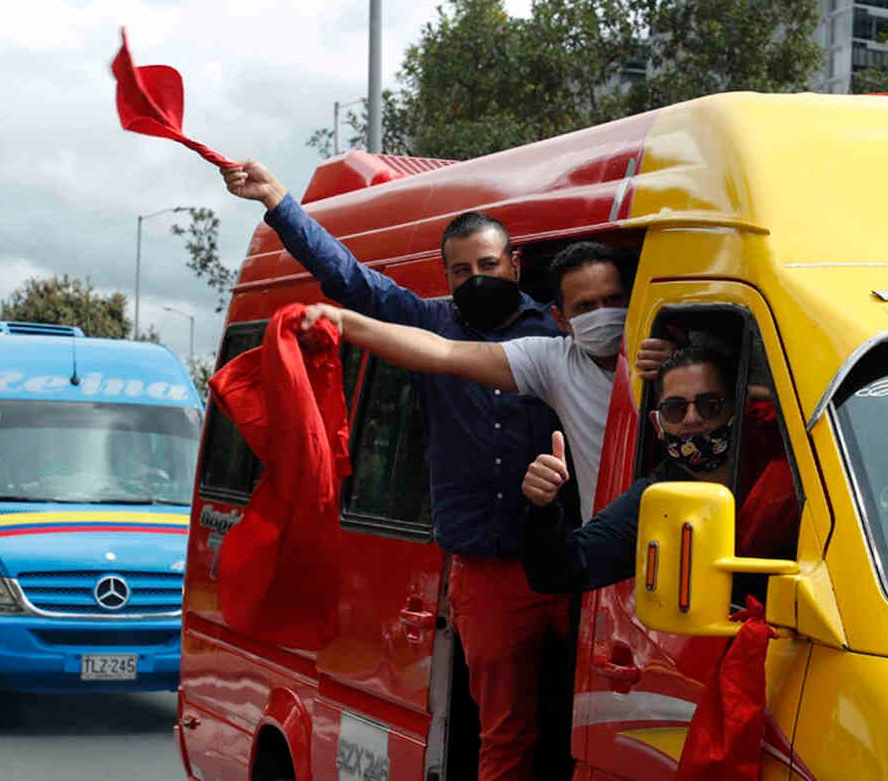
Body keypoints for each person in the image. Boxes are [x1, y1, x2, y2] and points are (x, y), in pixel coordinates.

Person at [223, 161, 567, 781]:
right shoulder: (430, 324)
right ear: (445, 277)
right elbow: (349, 280)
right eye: (460, 270)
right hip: (487, 574)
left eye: (487, 266)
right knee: (504, 732)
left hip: (575, 565)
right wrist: (277, 199)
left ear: (515, 265)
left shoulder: (560, 332)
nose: (475, 279)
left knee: (588, 723)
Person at [300, 240, 634, 522]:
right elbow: (442, 351)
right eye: (586, 307)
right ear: (561, 320)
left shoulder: (666, 355)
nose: (603, 315)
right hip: (610, 554)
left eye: (614, 300)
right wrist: (345, 322)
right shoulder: (556, 361)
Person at [517, 346, 800, 594]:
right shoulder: (655, 501)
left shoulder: (792, 464)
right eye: (675, 409)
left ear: (737, 409)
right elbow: (563, 572)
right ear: (657, 424)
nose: (692, 419)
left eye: (710, 405)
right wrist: (543, 507)